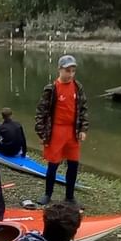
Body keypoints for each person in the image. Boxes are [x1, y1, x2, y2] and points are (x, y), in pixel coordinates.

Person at [34, 54, 87, 206]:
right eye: (67, 71)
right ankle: (47, 194)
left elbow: (83, 109)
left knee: (73, 164)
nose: (70, 74)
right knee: (53, 165)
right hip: (56, 131)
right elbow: (40, 113)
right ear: (60, 70)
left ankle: (69, 197)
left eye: (73, 71)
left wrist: (83, 129)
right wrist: (42, 134)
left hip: (73, 132)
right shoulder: (51, 89)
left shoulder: (78, 87)